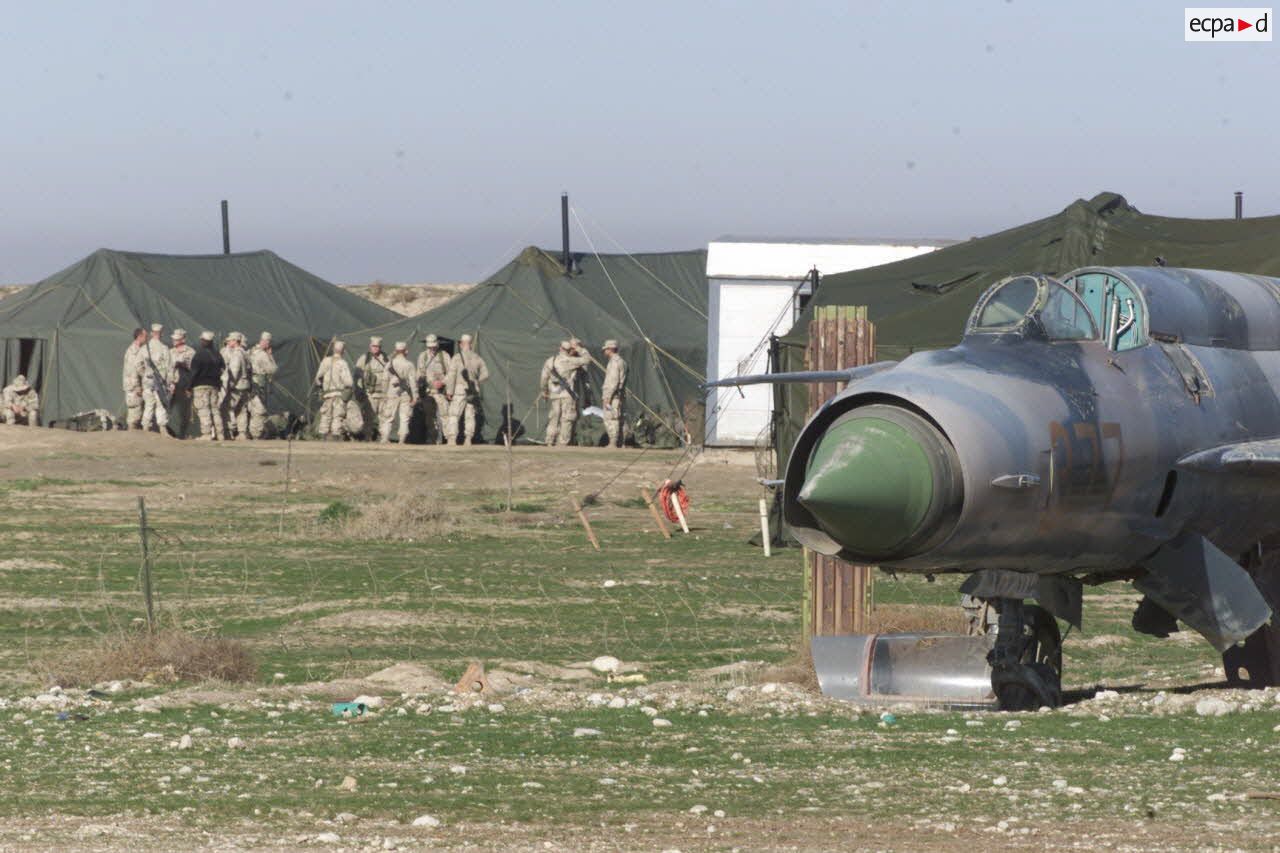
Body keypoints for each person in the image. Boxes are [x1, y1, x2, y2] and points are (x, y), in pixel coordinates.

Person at [539, 339, 591, 447]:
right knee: (566, 419)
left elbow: (544, 378)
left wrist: (544, 391)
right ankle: (562, 444)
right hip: (567, 396)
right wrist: (579, 348)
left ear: (560, 348)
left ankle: (549, 441)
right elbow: (587, 359)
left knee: (554, 419)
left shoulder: (550, 361)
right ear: (569, 350)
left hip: (554, 395)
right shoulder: (571, 361)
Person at [445, 333, 487, 445]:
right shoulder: (477, 358)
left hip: (459, 389)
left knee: (454, 414)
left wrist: (449, 391)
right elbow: (486, 374)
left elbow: (451, 376)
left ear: (461, 344)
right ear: (471, 344)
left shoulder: (457, 358)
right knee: (470, 415)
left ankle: (452, 438)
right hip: (472, 390)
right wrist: (476, 382)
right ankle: (468, 439)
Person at [189, 331, 225, 440]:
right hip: (214, 386)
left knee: (204, 410)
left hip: (200, 386)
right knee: (215, 409)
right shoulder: (217, 354)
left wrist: (188, 387)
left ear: (203, 341)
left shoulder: (199, 354)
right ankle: (220, 434)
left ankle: (207, 434)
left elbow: (193, 372)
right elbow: (223, 368)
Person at [314, 340, 353, 440]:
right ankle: (335, 436)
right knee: (337, 416)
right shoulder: (342, 363)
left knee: (325, 415)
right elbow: (349, 382)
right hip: (338, 394)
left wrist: (322, 386)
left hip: (327, 394)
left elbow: (318, 378)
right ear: (343, 351)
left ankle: (323, 436)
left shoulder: (325, 361)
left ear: (333, 349)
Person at [380, 341, 417, 444]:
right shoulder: (409, 365)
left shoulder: (389, 364)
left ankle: (384, 437)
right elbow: (413, 382)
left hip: (392, 392)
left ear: (396, 351)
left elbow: (384, 380)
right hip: (406, 393)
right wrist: (415, 397)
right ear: (406, 351)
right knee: (404, 417)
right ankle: (402, 439)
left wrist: (384, 394)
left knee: (388, 416)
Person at [417, 333, 450, 444]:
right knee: (429, 417)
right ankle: (431, 438)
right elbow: (420, 374)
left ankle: (447, 438)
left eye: (433, 346)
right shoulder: (423, 356)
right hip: (428, 392)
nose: (432, 348)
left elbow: (451, 373)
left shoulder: (444, 356)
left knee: (444, 415)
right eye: (430, 346)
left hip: (440, 392)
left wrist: (442, 382)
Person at [139, 323, 172, 434]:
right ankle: (162, 428)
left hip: (148, 380)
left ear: (152, 333)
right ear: (161, 334)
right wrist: (169, 382)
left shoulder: (144, 348)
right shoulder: (164, 348)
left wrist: (145, 374)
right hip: (160, 381)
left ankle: (145, 427)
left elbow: (138, 365)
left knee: (149, 404)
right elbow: (169, 367)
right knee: (160, 404)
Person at [354, 336, 388, 441]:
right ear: (370, 346)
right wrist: (359, 391)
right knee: (369, 417)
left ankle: (384, 438)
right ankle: (367, 437)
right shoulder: (364, 359)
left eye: (378, 346)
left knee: (384, 417)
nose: (376, 348)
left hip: (383, 393)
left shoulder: (386, 358)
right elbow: (357, 376)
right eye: (374, 346)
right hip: (370, 394)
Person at [220, 331, 252, 440]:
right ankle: (242, 433)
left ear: (235, 341)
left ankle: (228, 432)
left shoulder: (237, 354)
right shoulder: (245, 353)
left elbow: (234, 371)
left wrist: (229, 385)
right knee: (241, 410)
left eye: (230, 340)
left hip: (237, 387)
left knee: (227, 408)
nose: (228, 342)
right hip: (245, 385)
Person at [248, 331, 278, 439]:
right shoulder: (262, 354)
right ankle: (256, 434)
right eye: (268, 341)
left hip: (250, 384)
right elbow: (272, 369)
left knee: (252, 409)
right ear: (265, 341)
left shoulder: (251, 351)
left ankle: (252, 432)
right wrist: (270, 356)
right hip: (259, 384)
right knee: (260, 410)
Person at [168, 329, 196, 437]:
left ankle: (182, 434)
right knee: (167, 408)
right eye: (173, 339)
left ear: (183, 339)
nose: (174, 341)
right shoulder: (170, 352)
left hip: (184, 385)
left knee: (184, 412)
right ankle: (168, 431)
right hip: (171, 384)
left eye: (177, 339)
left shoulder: (190, 352)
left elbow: (194, 368)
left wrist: (184, 365)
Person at [601, 339, 628, 447]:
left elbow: (613, 381)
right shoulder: (622, 361)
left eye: (606, 349)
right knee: (619, 419)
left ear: (610, 349)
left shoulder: (614, 362)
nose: (604, 351)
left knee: (611, 418)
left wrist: (608, 397)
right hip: (619, 395)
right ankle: (620, 442)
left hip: (613, 396)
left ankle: (613, 442)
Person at [122, 328, 146, 429]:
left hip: (134, 385)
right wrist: (137, 387)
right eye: (145, 336)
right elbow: (132, 371)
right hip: (133, 386)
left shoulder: (138, 349)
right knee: (135, 413)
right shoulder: (134, 351)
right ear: (139, 337)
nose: (146, 338)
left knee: (137, 412)